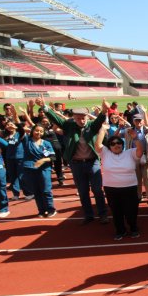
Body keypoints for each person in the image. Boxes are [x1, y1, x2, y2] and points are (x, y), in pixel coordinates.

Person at [38, 95, 109, 225]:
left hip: (92, 162)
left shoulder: (92, 126)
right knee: (82, 191)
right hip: (76, 164)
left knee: (98, 190)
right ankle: (88, 215)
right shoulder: (69, 125)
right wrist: (44, 107)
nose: (82, 121)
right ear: (74, 118)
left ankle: (103, 214)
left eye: (84, 118)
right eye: (79, 118)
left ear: (87, 117)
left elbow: (99, 121)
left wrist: (104, 111)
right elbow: (56, 119)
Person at [96, 124, 144, 240]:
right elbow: (97, 145)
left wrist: (136, 138)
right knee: (116, 211)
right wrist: (102, 130)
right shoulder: (105, 153)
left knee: (131, 210)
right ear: (109, 146)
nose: (116, 145)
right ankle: (120, 230)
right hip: (111, 189)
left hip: (130, 187)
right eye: (113, 144)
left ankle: (133, 228)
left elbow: (140, 151)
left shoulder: (130, 153)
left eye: (119, 143)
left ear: (123, 145)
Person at [19, 122, 57, 218]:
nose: (38, 133)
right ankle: (41, 210)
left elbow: (53, 157)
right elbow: (20, 129)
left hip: (44, 169)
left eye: (41, 131)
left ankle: (51, 209)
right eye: (36, 130)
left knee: (46, 190)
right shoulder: (26, 140)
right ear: (32, 131)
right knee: (36, 191)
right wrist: (15, 115)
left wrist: (43, 160)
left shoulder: (46, 143)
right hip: (30, 169)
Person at [125, 114, 148, 204]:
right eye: (136, 120)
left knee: (147, 178)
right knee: (137, 178)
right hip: (134, 157)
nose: (138, 122)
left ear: (143, 121)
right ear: (133, 121)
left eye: (140, 120)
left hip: (146, 156)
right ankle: (138, 196)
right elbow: (116, 135)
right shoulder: (129, 131)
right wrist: (120, 127)